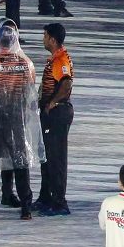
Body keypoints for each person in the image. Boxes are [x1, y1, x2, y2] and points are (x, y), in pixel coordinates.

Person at [0, 21, 40, 220]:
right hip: (16, 119)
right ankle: (26, 208)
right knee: (21, 163)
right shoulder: (25, 64)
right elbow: (31, 93)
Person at [36, 23, 74, 216]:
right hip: (51, 113)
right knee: (47, 156)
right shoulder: (55, 60)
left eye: (44, 36)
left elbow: (66, 84)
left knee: (56, 158)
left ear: (52, 39)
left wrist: (53, 103)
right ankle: (46, 196)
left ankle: (59, 201)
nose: (43, 39)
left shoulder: (61, 60)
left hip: (57, 114)